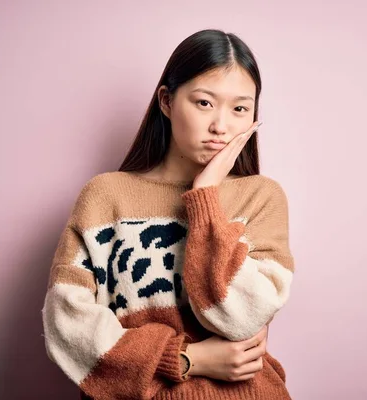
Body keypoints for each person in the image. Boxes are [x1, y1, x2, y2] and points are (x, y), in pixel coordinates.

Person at [41, 28, 295, 400]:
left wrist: (205, 197)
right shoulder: (106, 197)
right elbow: (67, 324)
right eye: (204, 103)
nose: (220, 127)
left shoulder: (261, 197)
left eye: (240, 108)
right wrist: (186, 358)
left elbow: (240, 318)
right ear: (166, 101)